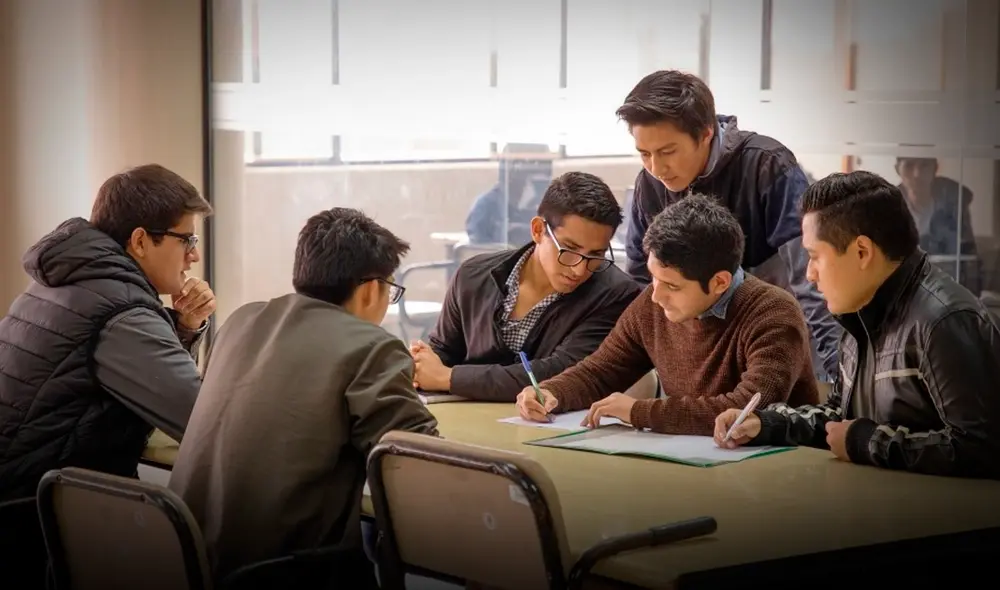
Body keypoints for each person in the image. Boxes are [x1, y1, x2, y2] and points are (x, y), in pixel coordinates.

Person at [169, 208, 438, 585]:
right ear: (371, 288)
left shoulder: (240, 322)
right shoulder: (371, 346)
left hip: (186, 562)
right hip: (282, 572)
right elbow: (421, 463)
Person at [714, 171, 1000, 480]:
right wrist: (766, 424)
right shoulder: (861, 312)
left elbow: (981, 449)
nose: (809, 274)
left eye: (814, 257)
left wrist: (865, 441)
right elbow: (842, 417)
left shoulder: (944, 321)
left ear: (862, 252)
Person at [516, 194, 818, 434]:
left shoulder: (773, 313)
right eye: (653, 277)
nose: (656, 295)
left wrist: (640, 412)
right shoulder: (653, 302)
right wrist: (549, 392)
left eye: (672, 285)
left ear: (719, 283)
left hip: (774, 474)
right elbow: (602, 370)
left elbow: (744, 410)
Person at [0, 163, 212, 501]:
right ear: (141, 241)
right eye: (187, 239)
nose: (195, 255)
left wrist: (185, 327)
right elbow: (204, 419)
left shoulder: (65, 282)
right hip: (33, 522)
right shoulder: (122, 313)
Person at [617, 69, 840, 383]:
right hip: (701, 351)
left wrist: (837, 376)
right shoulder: (649, 186)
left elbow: (814, 281)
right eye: (644, 155)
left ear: (706, 132)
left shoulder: (767, 165)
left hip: (777, 343)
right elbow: (641, 279)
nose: (657, 168)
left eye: (668, 152)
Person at [411, 172, 641, 401]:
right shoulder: (473, 275)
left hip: (551, 430)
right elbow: (443, 351)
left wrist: (448, 378)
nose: (579, 269)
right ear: (538, 230)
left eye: (596, 254)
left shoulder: (616, 295)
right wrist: (421, 365)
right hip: (466, 419)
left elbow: (562, 373)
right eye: (569, 249)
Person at [895, 156, 982, 294]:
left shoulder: (955, 204)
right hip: (905, 291)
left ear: (935, 168)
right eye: (909, 166)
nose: (917, 174)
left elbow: (968, 256)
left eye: (924, 165)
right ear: (897, 170)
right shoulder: (891, 207)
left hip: (949, 288)